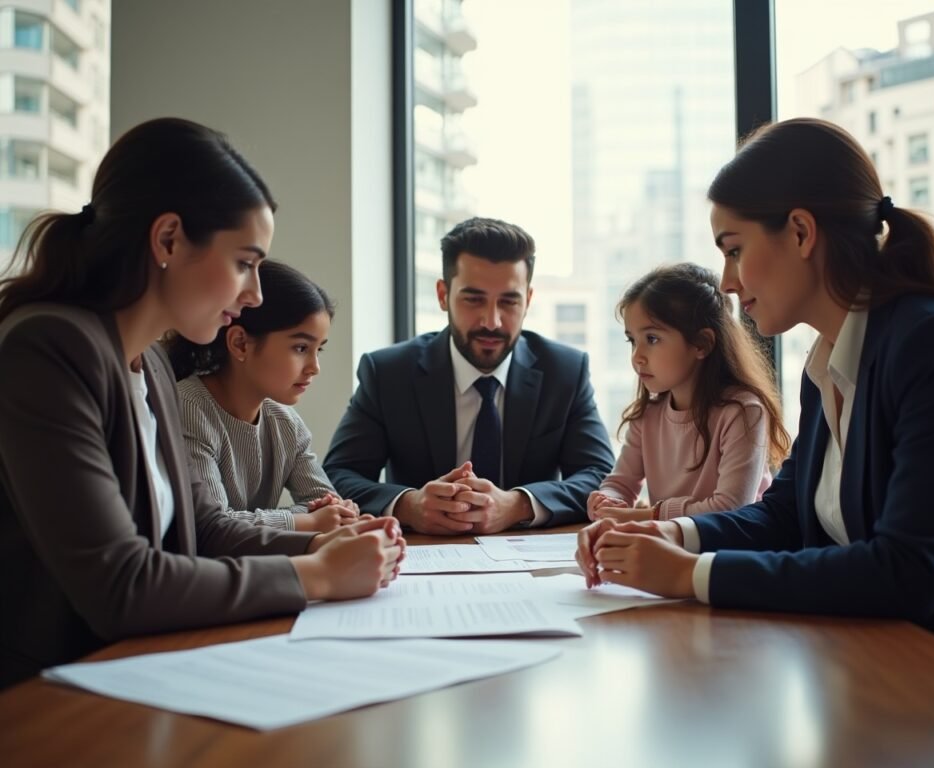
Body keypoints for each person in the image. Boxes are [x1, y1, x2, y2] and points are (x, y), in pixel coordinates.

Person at [577, 117, 934, 675]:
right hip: (866, 665)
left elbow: (909, 569)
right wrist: (669, 532)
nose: (728, 281)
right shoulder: (829, 364)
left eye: (734, 250)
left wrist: (687, 575)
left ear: (801, 233)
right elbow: (785, 516)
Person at [0, 118, 404, 688]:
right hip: (54, 692)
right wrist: (315, 574)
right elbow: (122, 585)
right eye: (245, 262)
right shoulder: (48, 348)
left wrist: (322, 541)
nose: (255, 294)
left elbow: (206, 531)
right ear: (167, 240)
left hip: (145, 666)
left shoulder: (154, 365)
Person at [324, 217, 615, 535]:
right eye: (474, 299)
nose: (491, 321)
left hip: (531, 561)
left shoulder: (565, 372)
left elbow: (600, 475)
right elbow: (337, 475)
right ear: (442, 294)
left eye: (508, 301)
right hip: (420, 559)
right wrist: (409, 505)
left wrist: (518, 505)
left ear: (528, 300)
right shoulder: (388, 373)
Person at [166, 260, 360, 534]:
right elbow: (212, 527)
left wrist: (329, 514)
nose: (315, 367)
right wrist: (307, 520)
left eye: (319, 350)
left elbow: (330, 507)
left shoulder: (287, 424)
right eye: (301, 347)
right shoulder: (187, 408)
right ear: (240, 343)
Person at [588, 263, 788, 523]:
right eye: (632, 340)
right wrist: (607, 499)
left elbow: (730, 507)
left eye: (652, 339)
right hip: (671, 546)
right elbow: (620, 483)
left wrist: (652, 515)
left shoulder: (743, 411)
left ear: (702, 344)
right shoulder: (647, 415)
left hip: (733, 551)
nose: (637, 356)